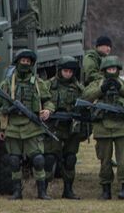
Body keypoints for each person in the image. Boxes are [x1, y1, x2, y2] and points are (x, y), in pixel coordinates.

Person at [0, 48, 55, 201]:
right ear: (17, 62)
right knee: (14, 160)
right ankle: (17, 192)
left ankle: (41, 192)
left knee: (38, 160)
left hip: (32, 127)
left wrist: (47, 110)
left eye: (28, 61)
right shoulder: (7, 83)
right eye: (23, 61)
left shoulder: (38, 83)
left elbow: (48, 101)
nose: (25, 64)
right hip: (13, 127)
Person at [82, 55, 124, 200]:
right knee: (105, 162)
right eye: (109, 69)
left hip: (122, 128)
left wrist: (121, 88)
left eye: (114, 69)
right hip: (103, 128)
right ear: (103, 70)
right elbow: (86, 96)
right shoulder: (97, 83)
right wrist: (101, 89)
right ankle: (105, 189)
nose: (112, 71)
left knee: (123, 161)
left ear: (118, 70)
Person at [47, 57, 88, 200]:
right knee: (50, 157)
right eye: (65, 71)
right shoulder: (49, 86)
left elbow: (87, 106)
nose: (68, 74)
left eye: (71, 71)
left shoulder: (79, 88)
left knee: (70, 159)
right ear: (60, 71)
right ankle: (43, 190)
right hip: (54, 126)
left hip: (72, 128)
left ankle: (68, 190)